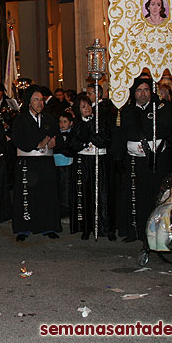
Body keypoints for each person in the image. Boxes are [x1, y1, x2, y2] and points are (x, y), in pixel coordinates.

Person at [113, 77, 172, 242]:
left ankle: (156, 231)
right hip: (134, 162)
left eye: (146, 90)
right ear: (133, 93)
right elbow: (119, 136)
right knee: (134, 197)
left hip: (156, 162)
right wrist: (118, 158)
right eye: (139, 90)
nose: (143, 94)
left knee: (154, 197)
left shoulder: (161, 109)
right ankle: (134, 230)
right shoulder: (125, 111)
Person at [11, 85, 62, 241]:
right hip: (27, 162)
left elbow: (57, 136)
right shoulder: (20, 119)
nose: (40, 103)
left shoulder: (49, 118)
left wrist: (54, 141)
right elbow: (17, 139)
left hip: (45, 163)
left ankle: (48, 226)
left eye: (42, 100)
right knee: (26, 195)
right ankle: (24, 228)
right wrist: (37, 144)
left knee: (46, 194)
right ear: (29, 102)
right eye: (36, 100)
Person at [68, 95, 115, 240]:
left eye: (88, 105)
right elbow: (73, 144)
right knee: (85, 193)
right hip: (83, 162)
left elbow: (105, 139)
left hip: (99, 160)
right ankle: (86, 228)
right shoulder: (77, 125)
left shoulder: (100, 121)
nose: (87, 108)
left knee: (102, 193)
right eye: (83, 107)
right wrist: (86, 141)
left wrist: (90, 138)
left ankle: (106, 227)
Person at [54, 112, 74, 220]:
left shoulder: (71, 134)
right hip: (56, 163)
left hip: (66, 163)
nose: (62, 124)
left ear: (71, 123)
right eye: (60, 122)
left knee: (66, 188)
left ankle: (66, 209)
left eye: (65, 122)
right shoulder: (56, 134)